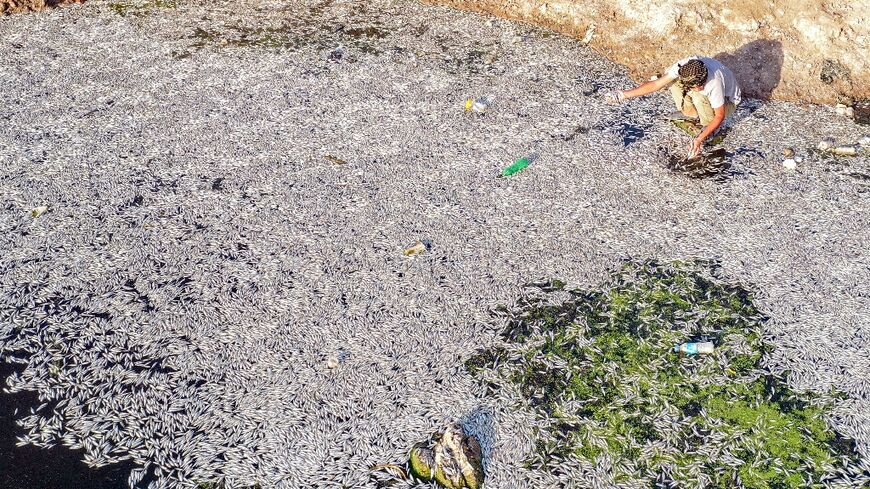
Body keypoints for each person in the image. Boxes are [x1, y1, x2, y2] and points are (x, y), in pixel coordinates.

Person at [613, 56, 742, 158]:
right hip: (704, 93)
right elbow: (656, 84)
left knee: (699, 97)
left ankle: (709, 128)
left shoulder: (714, 83)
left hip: (728, 102)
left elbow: (720, 116)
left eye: (701, 84)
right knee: (673, 82)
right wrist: (623, 95)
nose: (700, 87)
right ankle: (691, 113)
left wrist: (699, 139)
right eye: (697, 86)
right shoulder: (683, 67)